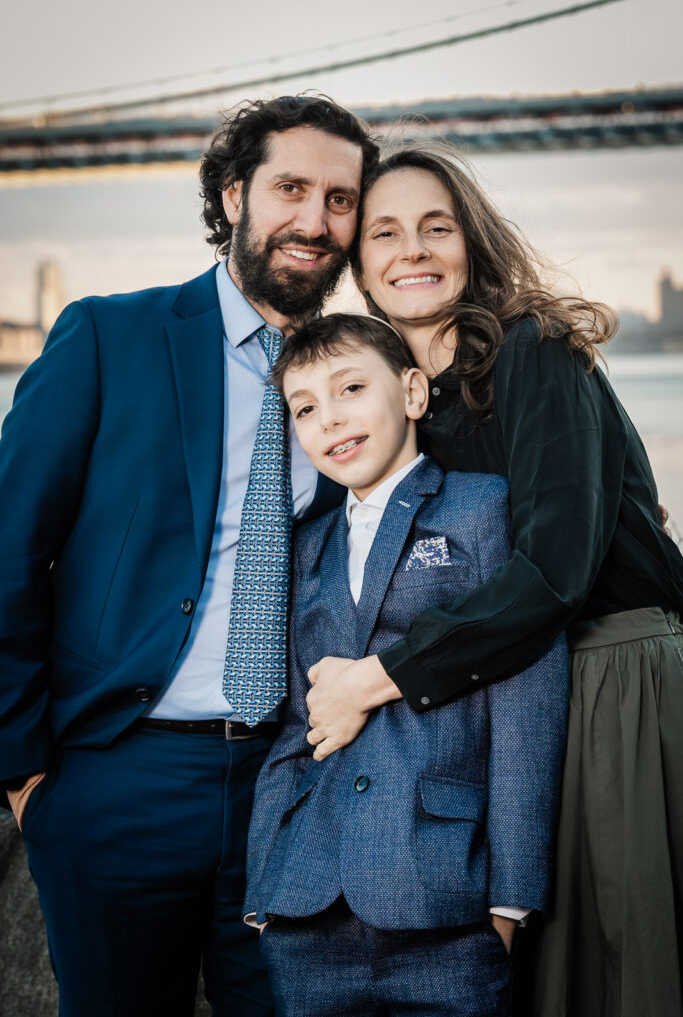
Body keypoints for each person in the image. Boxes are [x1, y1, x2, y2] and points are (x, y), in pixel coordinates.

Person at [0, 95, 378, 1017]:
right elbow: (9, 554)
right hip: (117, 780)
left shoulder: (363, 380)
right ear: (233, 192)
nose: (314, 220)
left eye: (340, 199)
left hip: (289, 784)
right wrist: (25, 776)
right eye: (290, 188)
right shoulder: (109, 337)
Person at [302, 147, 683, 1017]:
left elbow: (552, 574)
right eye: (385, 233)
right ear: (357, 264)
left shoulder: (532, 353)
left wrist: (377, 677)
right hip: (497, 699)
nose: (413, 250)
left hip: (605, 677)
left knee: (620, 959)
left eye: (436, 228)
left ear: (470, 242)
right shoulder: (399, 401)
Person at [244, 312, 569, 1017]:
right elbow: (296, 727)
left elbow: (524, 709)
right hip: (306, 910)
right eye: (305, 408)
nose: (329, 419)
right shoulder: (309, 544)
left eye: (351, 388)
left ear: (414, 393)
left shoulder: (481, 508)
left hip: (445, 899)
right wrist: (262, 893)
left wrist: (510, 900)